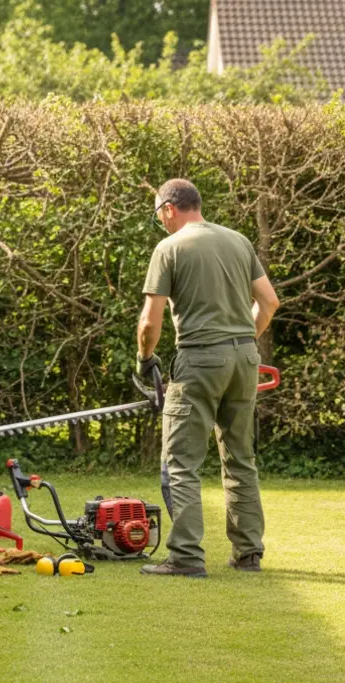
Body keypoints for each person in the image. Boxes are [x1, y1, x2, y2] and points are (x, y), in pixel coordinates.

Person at [135, 179, 280, 578]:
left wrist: (145, 359)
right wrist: (244, 341)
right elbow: (269, 302)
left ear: (169, 208)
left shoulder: (169, 248)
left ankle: (185, 557)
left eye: (159, 215)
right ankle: (248, 553)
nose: (161, 223)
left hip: (199, 358)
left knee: (180, 462)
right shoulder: (238, 241)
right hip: (245, 359)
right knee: (240, 459)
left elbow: (150, 322)